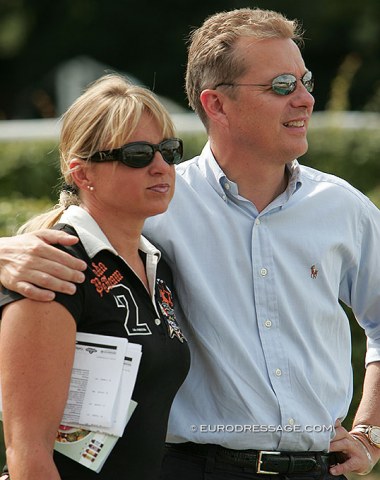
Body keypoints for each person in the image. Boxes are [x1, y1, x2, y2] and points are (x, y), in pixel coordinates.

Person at [1, 7, 380, 480]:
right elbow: (76, 222)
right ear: (216, 105)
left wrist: (370, 433)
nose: (304, 100)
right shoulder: (152, 202)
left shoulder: (344, 208)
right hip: (191, 467)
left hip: (321, 470)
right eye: (281, 86)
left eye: (306, 81)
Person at [0, 73, 190, 480]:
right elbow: (28, 455)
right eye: (138, 155)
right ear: (83, 174)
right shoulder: (53, 266)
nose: (161, 166)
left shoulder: (156, 264)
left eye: (169, 151)